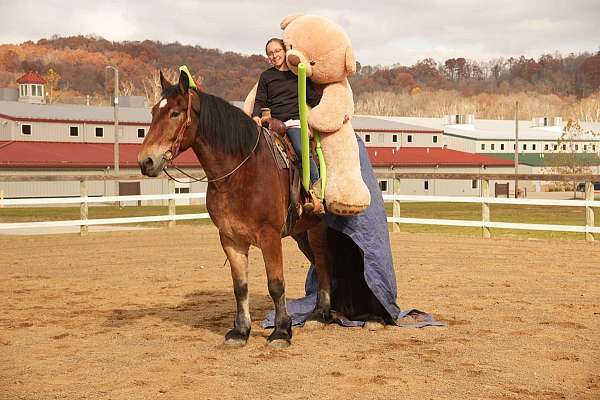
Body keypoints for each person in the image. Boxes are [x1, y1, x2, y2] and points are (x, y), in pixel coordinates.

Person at [252, 38, 321, 186]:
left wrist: (330, 111)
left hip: (294, 121)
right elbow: (260, 100)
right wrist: (255, 116)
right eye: (270, 53)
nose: (274, 55)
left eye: (277, 51)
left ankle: (316, 187)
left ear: (285, 51)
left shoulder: (297, 73)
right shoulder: (266, 76)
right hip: (273, 123)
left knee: (300, 150)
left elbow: (312, 98)